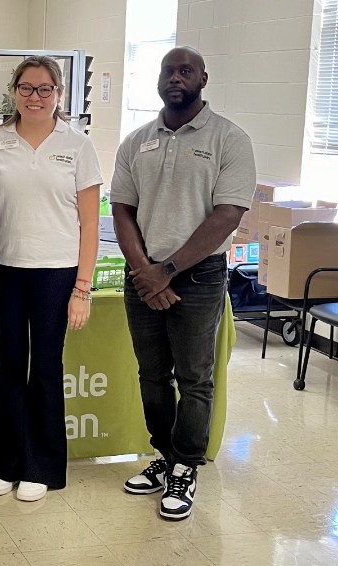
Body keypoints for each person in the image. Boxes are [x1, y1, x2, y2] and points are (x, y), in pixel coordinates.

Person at [113, 47, 254, 521]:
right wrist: (145, 272)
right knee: (152, 374)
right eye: (168, 71)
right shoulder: (136, 141)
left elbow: (228, 215)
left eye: (185, 71)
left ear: (202, 79)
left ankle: (187, 466)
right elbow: (122, 210)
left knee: (195, 378)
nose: (176, 78)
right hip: (144, 274)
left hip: (198, 277)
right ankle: (165, 456)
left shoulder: (229, 139)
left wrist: (167, 271)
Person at [0, 55, 102, 502]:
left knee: (46, 369)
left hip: (57, 274)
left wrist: (82, 289)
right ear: (14, 92)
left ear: (59, 94)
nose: (35, 97)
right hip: (5, 272)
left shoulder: (78, 145)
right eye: (26, 88)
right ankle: (5, 464)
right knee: (9, 367)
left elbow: (90, 226)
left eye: (45, 89)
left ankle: (41, 466)